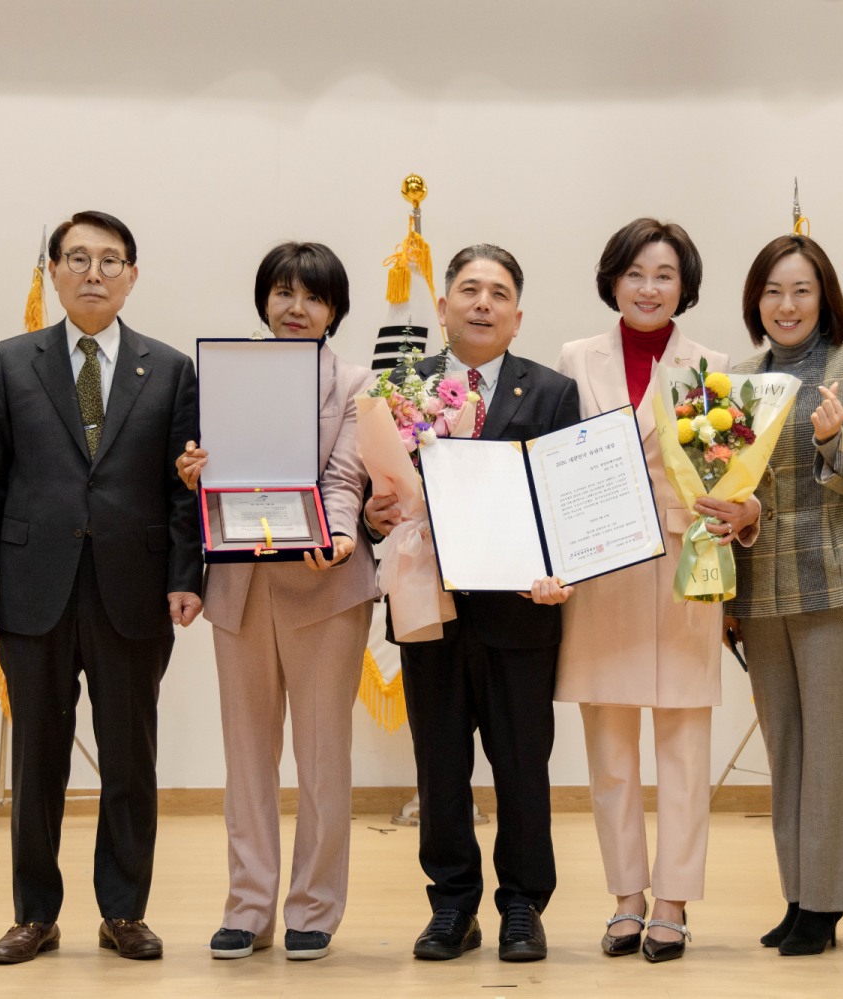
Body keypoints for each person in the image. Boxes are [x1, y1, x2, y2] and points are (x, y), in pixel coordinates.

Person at [0, 211, 202, 964]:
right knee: (38, 758)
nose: (93, 273)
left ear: (133, 275)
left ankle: (124, 911)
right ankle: (34, 912)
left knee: (131, 757)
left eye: (109, 260)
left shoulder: (168, 369)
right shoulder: (10, 360)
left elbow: (184, 484)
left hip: (134, 591)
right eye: (77, 259)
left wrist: (185, 576)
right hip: (33, 590)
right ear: (54, 271)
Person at [363, 244, 580, 963]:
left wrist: (555, 567)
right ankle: (452, 905)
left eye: (498, 293)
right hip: (428, 606)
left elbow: (562, 498)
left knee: (523, 765)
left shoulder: (549, 391)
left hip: (520, 614)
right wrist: (375, 516)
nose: (482, 302)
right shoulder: (400, 385)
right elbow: (380, 496)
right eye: (468, 289)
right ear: (443, 305)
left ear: (517, 317)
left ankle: (522, 903)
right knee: (440, 765)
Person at [554, 218, 760, 962]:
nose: (649, 287)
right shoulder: (574, 358)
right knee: (610, 749)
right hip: (601, 568)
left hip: (685, 563)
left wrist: (737, 512)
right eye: (636, 272)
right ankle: (626, 898)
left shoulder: (711, 361)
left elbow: (729, 477)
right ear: (613, 278)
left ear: (685, 286)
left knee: (683, 741)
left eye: (665, 274)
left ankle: (672, 899)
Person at [174, 242, 378, 961]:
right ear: (263, 299)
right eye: (284, 293)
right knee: (247, 757)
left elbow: (347, 476)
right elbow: (201, 470)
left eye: (313, 297)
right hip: (239, 583)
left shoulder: (354, 382)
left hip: (326, 582)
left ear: (334, 310)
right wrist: (193, 472)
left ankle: (314, 907)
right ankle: (248, 905)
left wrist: (342, 535)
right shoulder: (219, 374)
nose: (296, 308)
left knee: (323, 758)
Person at [721, 234, 843, 956]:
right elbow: (728, 489)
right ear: (756, 301)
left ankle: (827, 903)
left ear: (825, 298)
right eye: (772, 292)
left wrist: (832, 442)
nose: (786, 305)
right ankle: (797, 894)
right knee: (785, 747)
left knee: (827, 746)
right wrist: (724, 592)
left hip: (834, 583)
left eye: (801, 290)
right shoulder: (736, 377)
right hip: (759, 584)